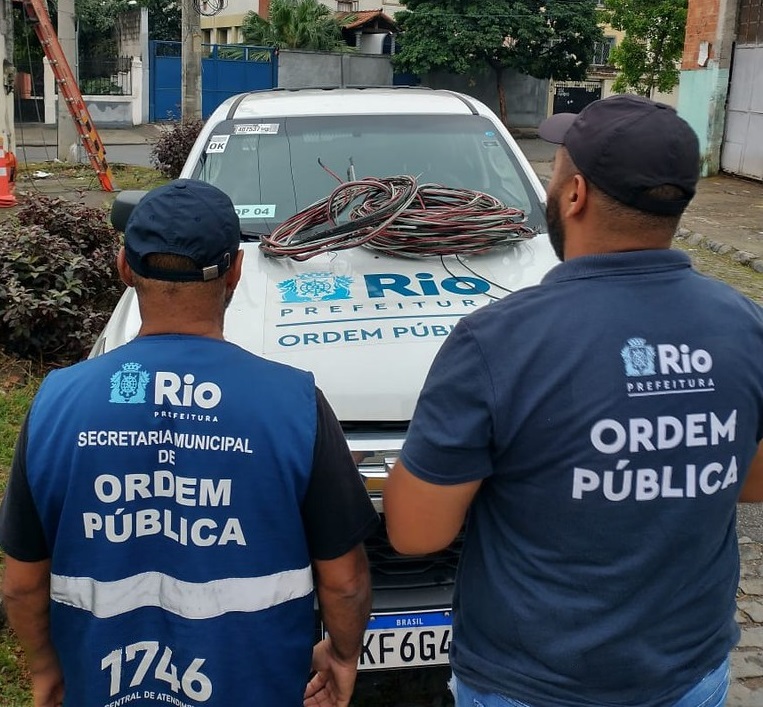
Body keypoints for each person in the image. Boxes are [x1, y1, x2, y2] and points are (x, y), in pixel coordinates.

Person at [384, 94, 763, 707]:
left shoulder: (497, 341)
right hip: (688, 675)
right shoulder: (747, 324)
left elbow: (415, 532)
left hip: (528, 682)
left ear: (576, 193)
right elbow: (752, 482)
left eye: (555, 169)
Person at [0, 178, 378, 707]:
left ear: (124, 268)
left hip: (103, 685)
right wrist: (342, 654)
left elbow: (20, 583)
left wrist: (44, 667)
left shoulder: (57, 403)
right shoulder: (295, 404)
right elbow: (344, 581)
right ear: (237, 272)